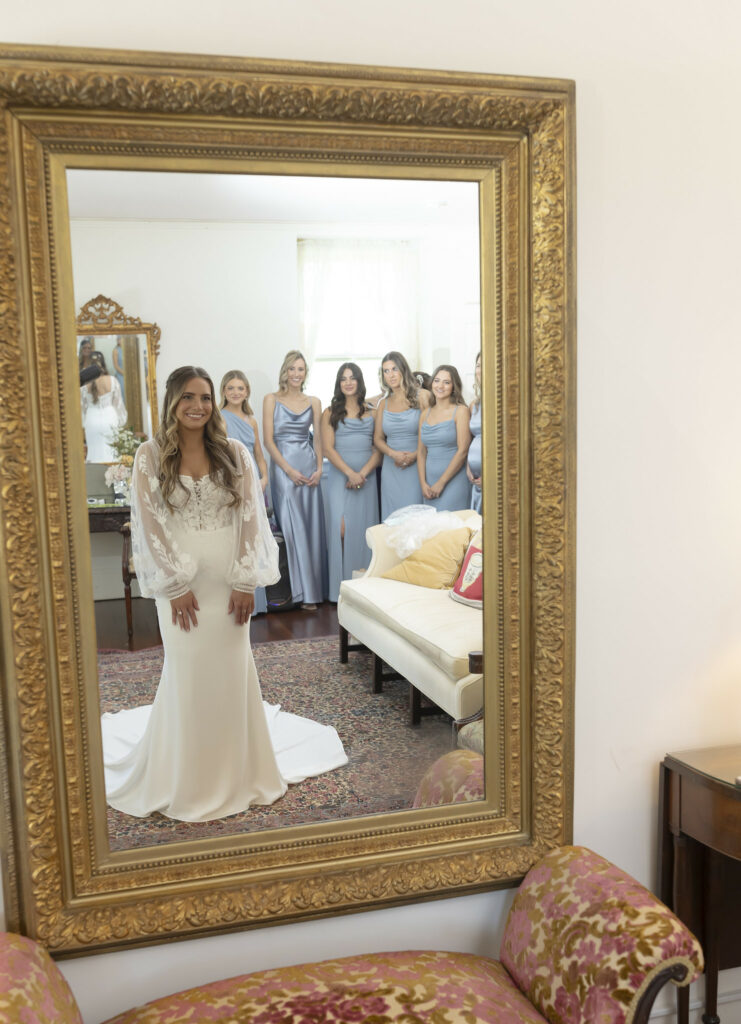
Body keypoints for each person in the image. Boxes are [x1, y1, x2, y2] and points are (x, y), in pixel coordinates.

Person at [100, 366, 347, 821]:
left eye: (206, 397)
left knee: (232, 670)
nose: (198, 406)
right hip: (181, 588)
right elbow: (150, 526)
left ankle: (239, 772)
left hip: (229, 584)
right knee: (188, 670)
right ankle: (187, 776)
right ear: (173, 401)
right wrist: (173, 587)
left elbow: (251, 517)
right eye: (188, 397)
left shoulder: (234, 453)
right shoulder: (149, 456)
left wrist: (245, 580)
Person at [263, 351, 327, 610]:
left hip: (309, 467)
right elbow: (268, 441)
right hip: (283, 470)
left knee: (311, 528)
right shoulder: (271, 399)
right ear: (284, 371)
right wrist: (288, 470)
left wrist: (320, 468)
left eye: (300, 369)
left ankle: (312, 593)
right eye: (292, 369)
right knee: (291, 529)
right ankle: (296, 592)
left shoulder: (314, 401)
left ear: (305, 373)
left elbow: (319, 439)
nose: (296, 374)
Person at [321, 363, 380, 601]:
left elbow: (378, 448)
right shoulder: (329, 412)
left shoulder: (372, 412)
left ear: (359, 382)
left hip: (367, 479)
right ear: (338, 383)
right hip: (339, 478)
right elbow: (327, 448)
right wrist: (349, 473)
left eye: (352, 378)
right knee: (341, 529)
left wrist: (362, 474)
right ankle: (341, 589)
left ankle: (364, 591)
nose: (348, 382)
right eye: (343, 378)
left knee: (365, 531)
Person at [220, 369, 270, 615]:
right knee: (234, 538)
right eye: (231, 388)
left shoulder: (251, 421)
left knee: (253, 538)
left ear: (247, 391)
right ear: (223, 392)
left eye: (240, 388)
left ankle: (255, 601)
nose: (236, 392)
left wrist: (264, 477)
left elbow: (259, 454)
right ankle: (232, 596)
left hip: (254, 485)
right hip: (231, 483)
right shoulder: (219, 418)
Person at [373, 351, 429, 520]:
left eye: (394, 369)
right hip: (391, 469)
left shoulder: (423, 396)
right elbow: (378, 438)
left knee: (415, 520)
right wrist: (392, 454)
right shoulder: (383, 403)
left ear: (403, 369)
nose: (390, 375)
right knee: (392, 520)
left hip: (417, 466)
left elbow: (430, 431)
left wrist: (414, 456)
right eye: (386, 371)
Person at [418, 364, 472, 511]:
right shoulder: (425, 414)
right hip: (429, 484)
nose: (440, 386)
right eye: (437, 380)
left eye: (446, 382)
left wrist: (441, 482)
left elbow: (463, 451)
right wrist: (423, 483)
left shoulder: (461, 411)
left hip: (453, 482)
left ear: (454, 386)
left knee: (452, 529)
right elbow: (421, 453)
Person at [80, 352, 127, 462]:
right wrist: (121, 421)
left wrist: (85, 422)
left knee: (94, 453)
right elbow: (118, 404)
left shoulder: (84, 385)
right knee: (111, 454)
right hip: (110, 419)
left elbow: (83, 407)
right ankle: (112, 476)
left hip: (91, 420)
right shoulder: (112, 381)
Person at [467, 352, 482, 513]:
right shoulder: (474, 405)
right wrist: (468, 468)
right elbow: (471, 441)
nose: (480, 370)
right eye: (478, 365)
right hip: (474, 479)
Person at [112, 336, 126, 404]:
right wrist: (124, 374)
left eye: (120, 338)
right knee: (123, 393)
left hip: (129, 374)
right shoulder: (115, 350)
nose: (119, 340)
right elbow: (116, 365)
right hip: (120, 376)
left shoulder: (127, 349)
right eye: (118, 339)